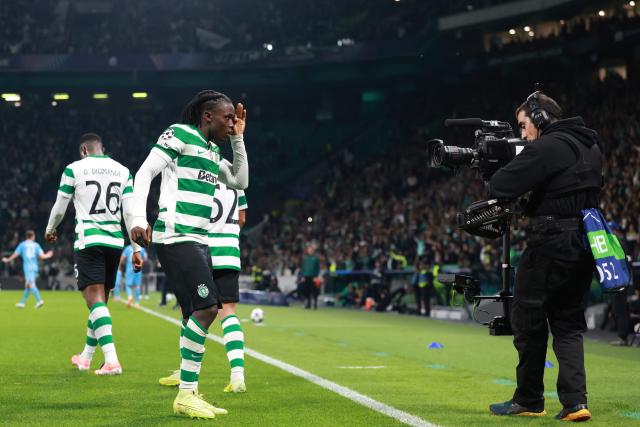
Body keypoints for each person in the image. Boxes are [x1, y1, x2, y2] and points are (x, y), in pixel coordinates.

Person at [129, 90, 248, 419]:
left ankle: (189, 390)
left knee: (194, 313)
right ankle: (185, 395)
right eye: (227, 118)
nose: (231, 123)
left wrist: (238, 139)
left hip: (198, 240)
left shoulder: (211, 152)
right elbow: (144, 173)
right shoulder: (180, 133)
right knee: (210, 308)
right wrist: (139, 218)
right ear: (207, 116)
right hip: (176, 236)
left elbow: (240, 180)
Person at [488, 92, 602, 422]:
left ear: (539, 118)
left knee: (527, 319)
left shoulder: (549, 145)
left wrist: (501, 164)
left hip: (551, 243)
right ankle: (575, 403)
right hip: (584, 242)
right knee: (567, 324)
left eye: (524, 125)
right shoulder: (590, 145)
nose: (523, 135)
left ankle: (528, 399)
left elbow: (500, 184)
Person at [44, 133, 144, 376]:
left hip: (90, 241)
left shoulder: (74, 169)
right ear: (103, 148)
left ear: (83, 150)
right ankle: (86, 358)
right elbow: (130, 214)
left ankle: (112, 361)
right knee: (100, 302)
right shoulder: (123, 171)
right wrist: (136, 248)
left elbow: (60, 206)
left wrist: (50, 228)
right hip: (114, 242)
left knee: (94, 301)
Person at [159, 182, 248, 393]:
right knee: (229, 312)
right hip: (229, 252)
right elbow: (242, 218)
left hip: (202, 252)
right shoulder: (237, 183)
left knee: (189, 311)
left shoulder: (200, 177)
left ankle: (184, 371)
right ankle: (237, 375)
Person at [2, 230, 53, 308]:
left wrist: (8, 260)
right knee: (28, 285)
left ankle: (39, 300)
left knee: (31, 284)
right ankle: (22, 303)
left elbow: (16, 254)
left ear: (27, 236)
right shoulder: (36, 245)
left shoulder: (22, 245)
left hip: (28, 267)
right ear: (32, 236)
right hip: (34, 267)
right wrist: (48, 255)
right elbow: (42, 256)